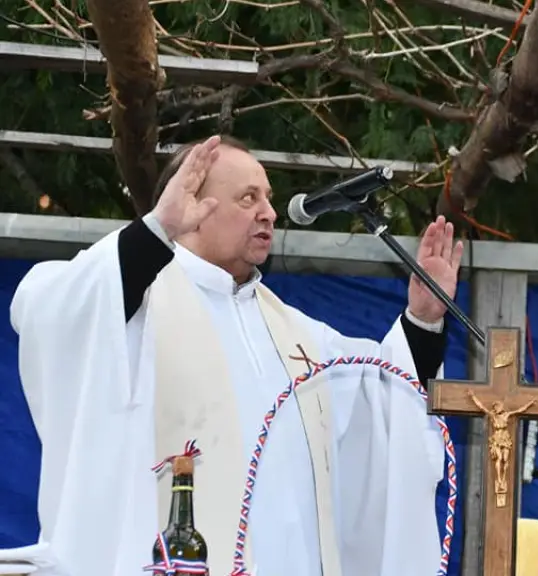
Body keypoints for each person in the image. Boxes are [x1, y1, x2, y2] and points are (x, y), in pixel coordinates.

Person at [10, 134, 465, 576]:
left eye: (267, 198)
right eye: (248, 199)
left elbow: (381, 405)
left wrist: (422, 321)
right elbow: (56, 311)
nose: (268, 212)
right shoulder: (137, 301)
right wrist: (155, 230)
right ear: (192, 208)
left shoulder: (293, 332)